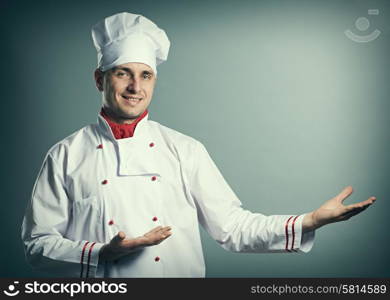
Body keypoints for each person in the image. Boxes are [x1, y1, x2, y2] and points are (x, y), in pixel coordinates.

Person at [21, 12, 376, 278]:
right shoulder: (65, 155)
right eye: (122, 73)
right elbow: (37, 244)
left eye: (145, 75)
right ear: (100, 78)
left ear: (154, 81)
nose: (135, 87)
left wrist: (310, 221)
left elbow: (233, 228)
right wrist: (100, 252)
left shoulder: (184, 149)